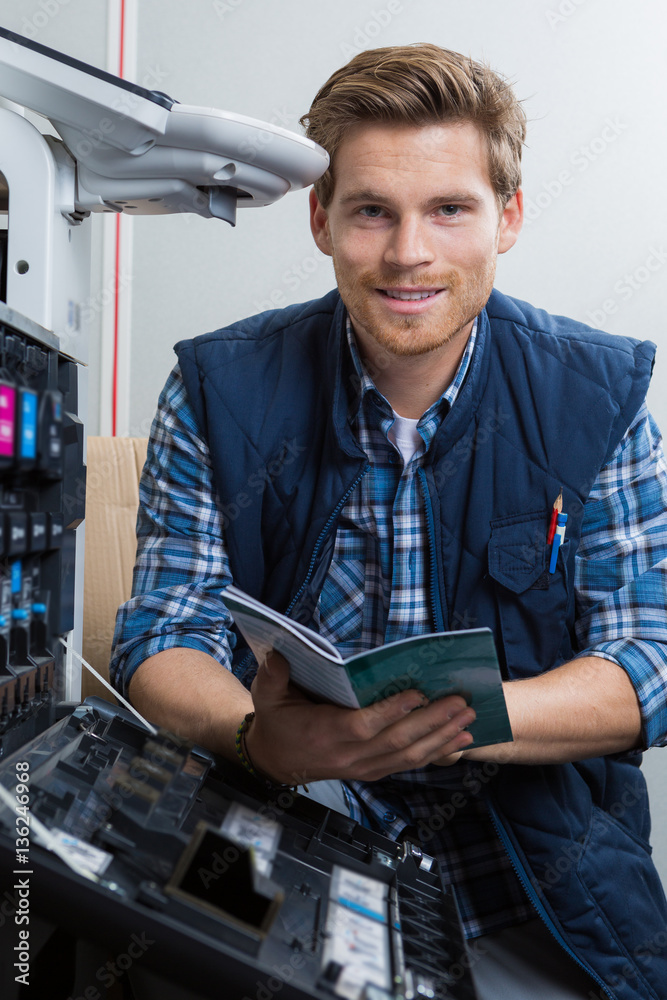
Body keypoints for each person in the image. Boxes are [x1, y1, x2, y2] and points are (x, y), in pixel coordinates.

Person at [110, 44, 667, 1000]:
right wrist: (259, 739)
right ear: (322, 220)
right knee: (138, 963)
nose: (409, 252)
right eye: (373, 210)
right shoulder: (215, 389)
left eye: (449, 209)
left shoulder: (599, 395)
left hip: (531, 880)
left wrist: (438, 727)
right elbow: (164, 632)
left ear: (509, 218)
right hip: (278, 827)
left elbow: (645, 664)